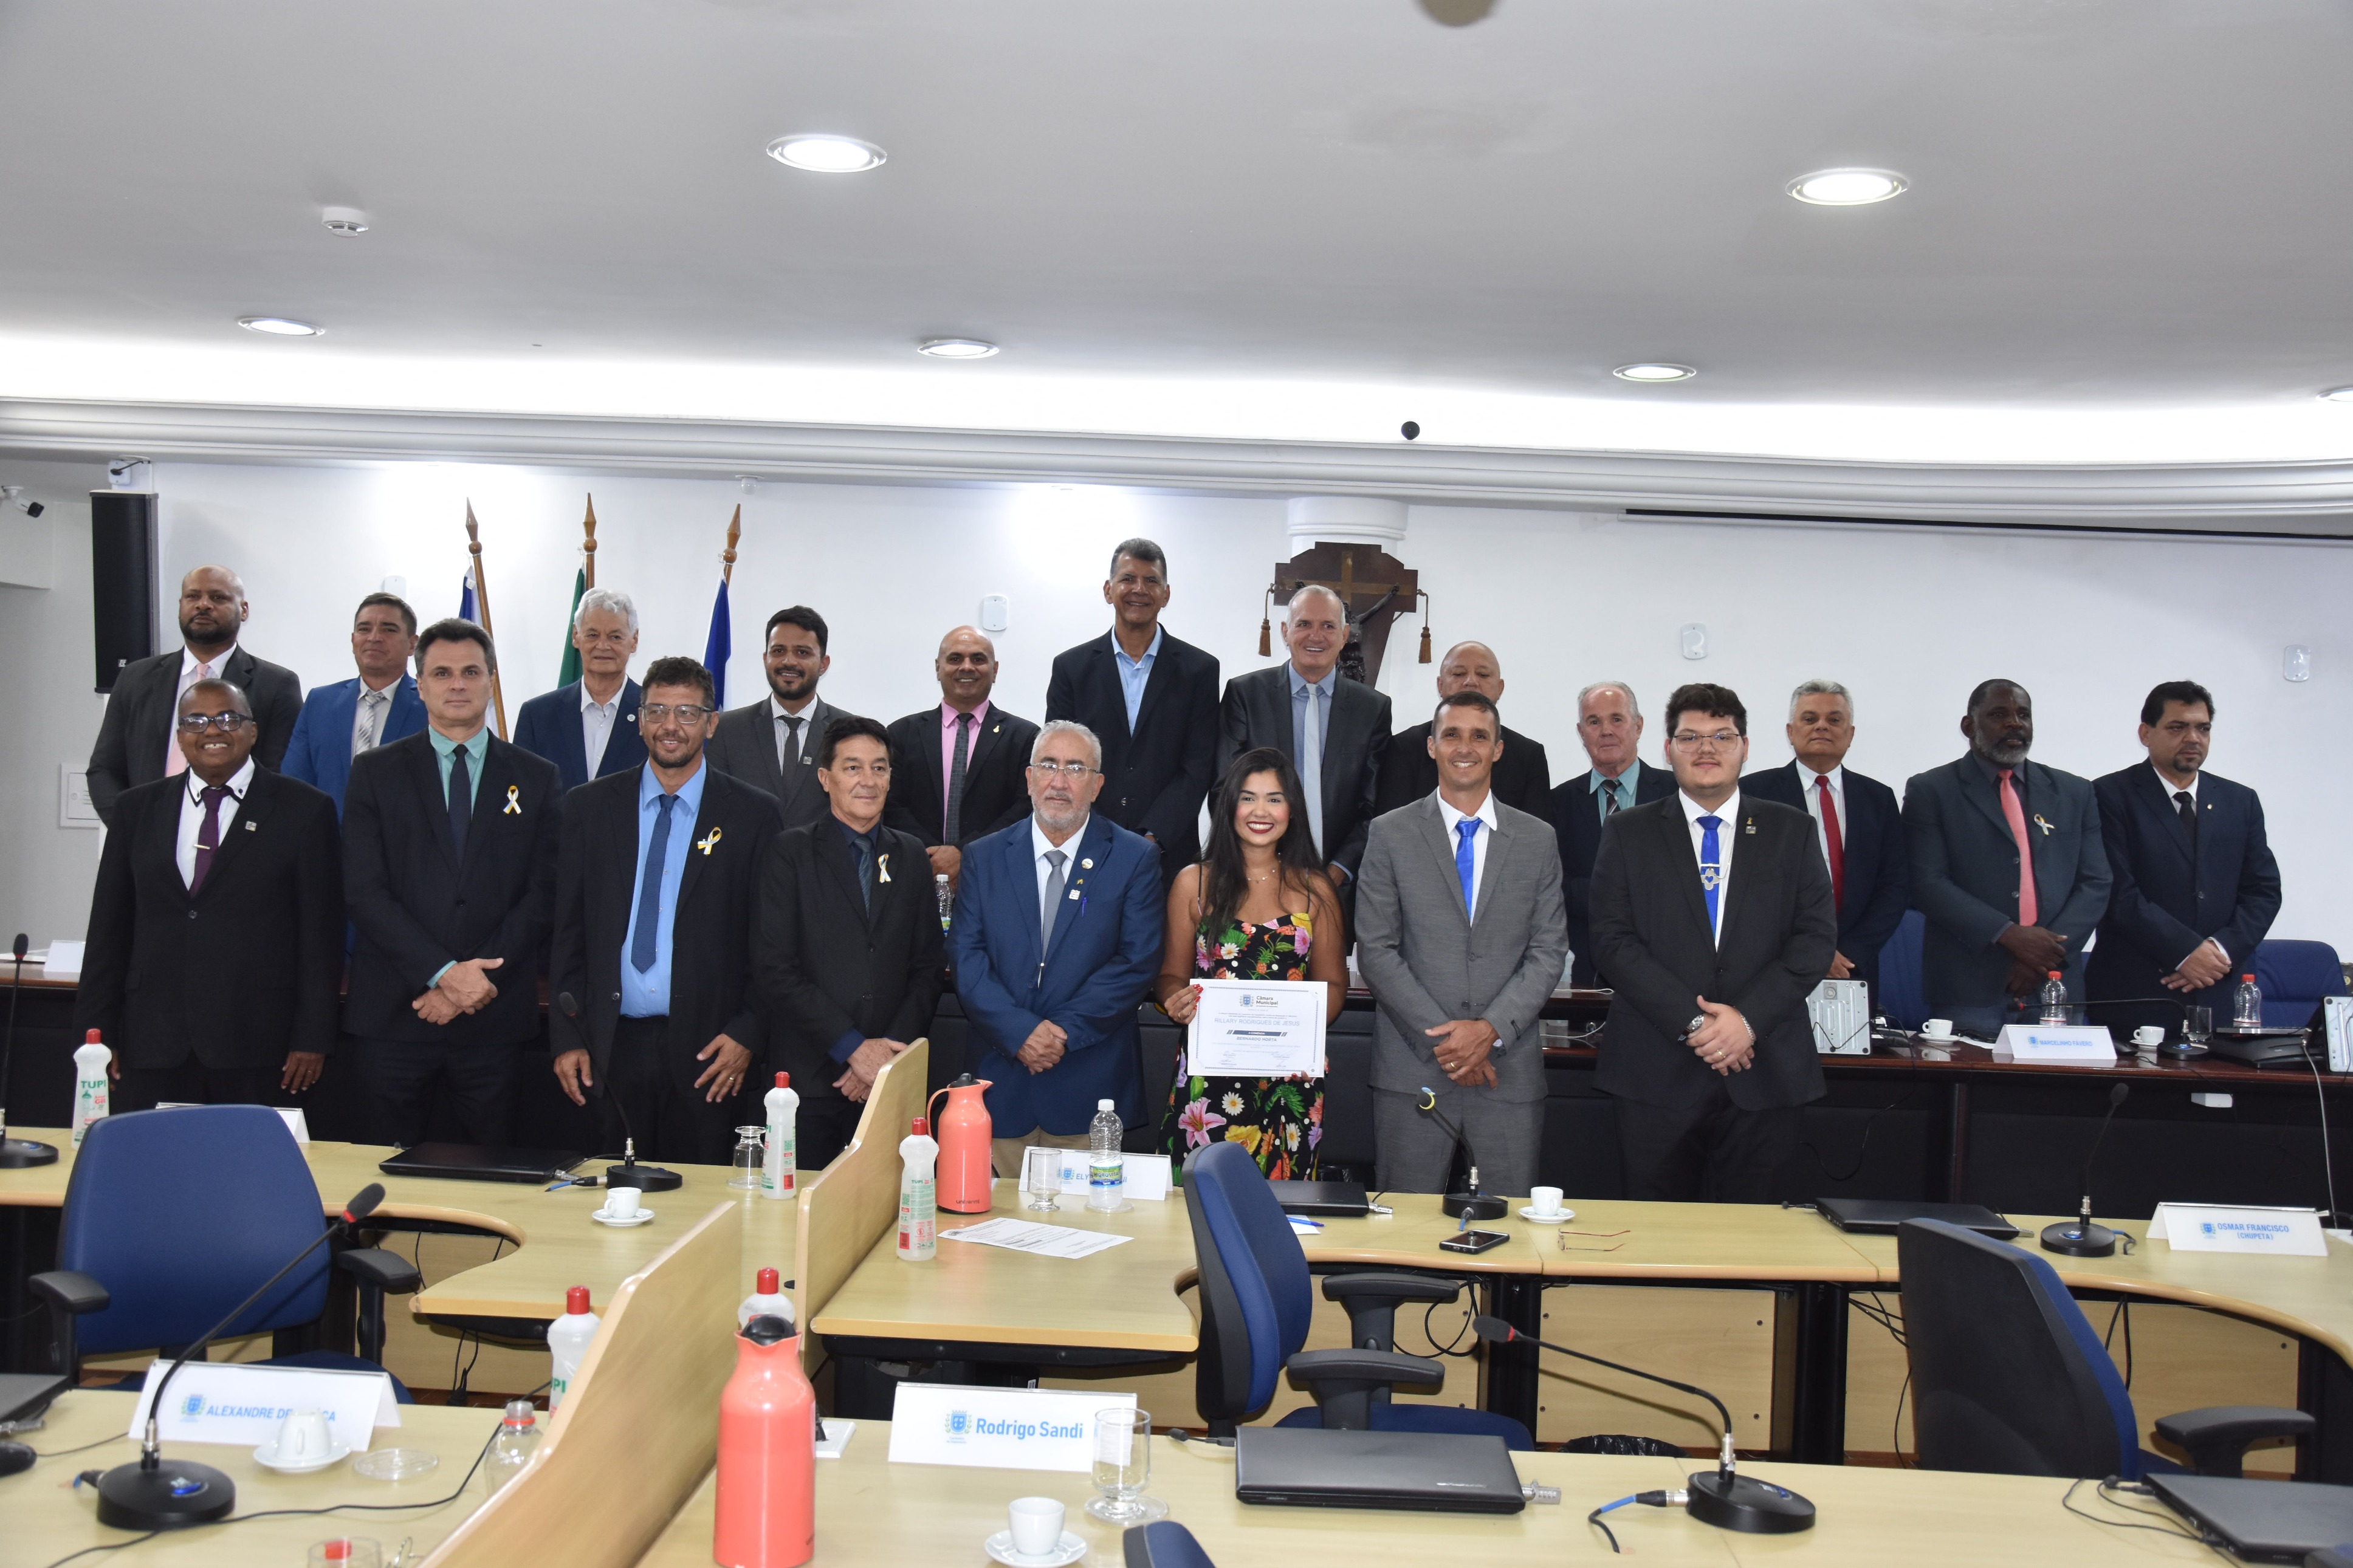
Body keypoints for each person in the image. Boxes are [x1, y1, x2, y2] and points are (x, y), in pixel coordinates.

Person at [1589, 683, 1838, 1202]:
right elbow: (1612, 941)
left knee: (1756, 1237)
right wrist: (1697, 1023)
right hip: (1655, 1071)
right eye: (1690, 737)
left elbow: (1814, 939)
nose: (1706, 748)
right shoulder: (1628, 832)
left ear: (1745, 747)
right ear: (1667, 749)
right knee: (1657, 1235)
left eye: (1722, 736)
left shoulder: (1791, 830)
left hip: (1765, 1068)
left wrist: (1746, 1022)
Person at [551, 656, 786, 1166]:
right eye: (656, 710)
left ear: (711, 722)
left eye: (686, 712)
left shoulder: (754, 814)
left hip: (711, 1052)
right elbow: (568, 932)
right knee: (609, 1196)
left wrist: (748, 1032)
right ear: (639, 721)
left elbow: (771, 942)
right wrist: (567, 1037)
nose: (670, 725)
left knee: (700, 1202)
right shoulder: (589, 807)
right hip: (608, 1048)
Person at [342, 619, 563, 1146]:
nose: (457, 684)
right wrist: (442, 974)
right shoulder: (374, 772)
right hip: (396, 1014)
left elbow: (544, 893)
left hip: (493, 1015)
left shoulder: (537, 776)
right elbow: (364, 890)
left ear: (492, 680)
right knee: (384, 1174)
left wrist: (471, 983)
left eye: (471, 672)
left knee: (490, 1175)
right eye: (442, 673)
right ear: (419, 685)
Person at [77, 678, 343, 1112]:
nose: (213, 730)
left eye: (228, 719)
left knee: (249, 1157)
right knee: (157, 1156)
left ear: (252, 731)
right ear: (180, 736)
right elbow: (109, 929)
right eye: (196, 721)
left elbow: (321, 935)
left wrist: (313, 1037)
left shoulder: (305, 809)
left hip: (260, 1043)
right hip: (153, 1040)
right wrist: (97, 1034)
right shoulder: (135, 809)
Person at [1354, 691, 1568, 1197]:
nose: (1465, 747)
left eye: (1479, 736)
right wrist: (1450, 1044)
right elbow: (1377, 950)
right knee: (1405, 1227)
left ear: (1498, 749)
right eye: (1451, 734)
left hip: (1507, 1071)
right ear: (1432, 746)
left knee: (1509, 1226)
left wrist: (1489, 1032)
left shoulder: (1537, 838)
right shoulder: (1389, 833)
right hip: (1414, 1070)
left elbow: (1548, 950)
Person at [949, 719, 1164, 1180]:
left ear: (1098, 785)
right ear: (1029, 778)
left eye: (1076, 768)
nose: (1060, 781)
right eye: (1048, 765)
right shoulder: (984, 857)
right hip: (1001, 1082)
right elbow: (967, 959)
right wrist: (1020, 1033)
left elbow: (1136, 962)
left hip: (1090, 1084)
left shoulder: (1134, 858)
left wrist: (1060, 1034)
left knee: (1086, 1223)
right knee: (999, 1222)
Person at [754, 716, 946, 1168]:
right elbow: (775, 969)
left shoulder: (911, 855)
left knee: (887, 1206)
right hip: (808, 1080)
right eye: (853, 767)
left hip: (889, 1082)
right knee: (801, 1206)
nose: (868, 780)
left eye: (879, 768)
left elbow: (927, 967)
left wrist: (884, 1056)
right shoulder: (789, 853)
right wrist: (853, 1048)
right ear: (826, 778)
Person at [1154, 749, 1347, 1180]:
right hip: (1209, 1080)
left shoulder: (1316, 889)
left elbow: (1335, 983)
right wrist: (1175, 1000)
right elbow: (1168, 975)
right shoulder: (1193, 882)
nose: (1261, 811)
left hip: (1290, 1078)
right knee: (1198, 1201)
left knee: (1284, 1205)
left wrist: (1303, 1029)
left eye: (1275, 799)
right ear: (1229, 807)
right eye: (1249, 798)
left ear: (1292, 810)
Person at [1904, 680, 2111, 1038]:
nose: (2015, 724)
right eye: (1999, 715)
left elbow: (2096, 882)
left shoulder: (2075, 792)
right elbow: (1927, 883)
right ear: (1969, 726)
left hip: (2056, 985)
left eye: (2023, 715)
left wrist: (2044, 956)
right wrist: (2009, 936)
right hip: (1969, 987)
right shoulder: (1932, 790)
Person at [2087, 681, 2281, 1039]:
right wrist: (2185, 952)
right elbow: (2117, 892)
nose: (2193, 738)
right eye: (2178, 727)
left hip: (2218, 991)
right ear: (2146, 733)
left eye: (2203, 728)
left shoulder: (2240, 801)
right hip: (2136, 992)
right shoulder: (2109, 795)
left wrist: (2219, 951)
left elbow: (2263, 892)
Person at [1044, 540, 1220, 880]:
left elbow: (1198, 767)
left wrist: (1152, 837)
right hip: (1085, 845)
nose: (1139, 589)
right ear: (1108, 590)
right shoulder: (1071, 668)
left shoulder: (1200, 670)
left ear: (1166, 594)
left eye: (1151, 580)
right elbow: (1061, 761)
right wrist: (1098, 833)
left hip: (1168, 854)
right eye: (1128, 579)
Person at [86, 564, 303, 825]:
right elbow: (104, 769)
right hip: (147, 833)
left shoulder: (277, 684)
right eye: (193, 597)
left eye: (218, 597)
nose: (203, 605)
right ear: (181, 606)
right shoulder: (135, 678)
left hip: (237, 836)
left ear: (244, 610)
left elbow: (281, 777)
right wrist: (130, 830)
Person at [1739, 680, 1908, 1000]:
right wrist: (1811, 950)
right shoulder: (1753, 794)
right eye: (1810, 719)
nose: (1822, 726)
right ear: (1790, 732)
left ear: (1851, 734)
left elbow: (1894, 886)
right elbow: (1748, 888)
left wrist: (1850, 952)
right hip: (1774, 965)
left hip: (1854, 966)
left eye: (1834, 719)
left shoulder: (1878, 798)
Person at [1216, 585, 1392, 888]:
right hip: (1254, 878)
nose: (1316, 636)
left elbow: (1375, 804)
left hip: (1339, 883)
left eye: (1328, 626)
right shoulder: (1245, 695)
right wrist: (1263, 864)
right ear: (1285, 631)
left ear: (1345, 635)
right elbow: (1225, 790)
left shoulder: (1372, 709)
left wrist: (1338, 871)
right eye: (1304, 624)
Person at [884, 626, 1040, 891]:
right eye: (955, 659)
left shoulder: (1025, 737)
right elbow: (890, 804)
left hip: (994, 877)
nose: (967, 667)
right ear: (938, 668)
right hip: (915, 875)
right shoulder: (901, 734)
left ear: (995, 670)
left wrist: (964, 853)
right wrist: (935, 856)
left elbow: (1025, 809)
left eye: (978, 659)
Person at [1550, 681, 1673, 985]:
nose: (1606, 731)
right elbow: (1553, 886)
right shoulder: (1557, 803)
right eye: (1594, 722)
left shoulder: (1676, 793)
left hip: (1667, 966)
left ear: (1638, 726)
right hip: (1585, 969)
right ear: (1581, 732)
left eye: (1617, 719)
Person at [707, 606, 859, 832]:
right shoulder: (727, 729)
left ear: (823, 664)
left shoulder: (852, 734)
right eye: (778, 651)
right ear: (765, 659)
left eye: (802, 653)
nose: (789, 661)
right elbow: (713, 808)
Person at [280, 592, 428, 815]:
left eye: (389, 629)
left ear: (412, 644)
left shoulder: (430, 705)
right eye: (364, 629)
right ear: (353, 640)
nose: (374, 638)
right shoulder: (320, 702)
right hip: (328, 834)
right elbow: (294, 784)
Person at [1374, 640, 1551, 818]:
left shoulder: (1528, 756)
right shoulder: (1405, 748)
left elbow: (1533, 831)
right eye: (1459, 674)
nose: (1471, 682)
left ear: (1500, 688)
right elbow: (1393, 827)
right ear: (1440, 686)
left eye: (1483, 675)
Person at [512, 587, 648, 792]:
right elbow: (521, 794)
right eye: (593, 635)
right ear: (576, 636)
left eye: (615, 637)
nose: (603, 646)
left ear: (634, 640)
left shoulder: (655, 714)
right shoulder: (537, 716)